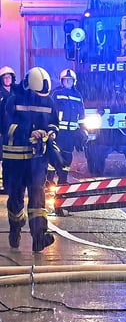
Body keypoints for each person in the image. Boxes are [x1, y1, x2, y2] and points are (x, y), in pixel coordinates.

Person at [2, 67, 59, 252]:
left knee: (37, 198)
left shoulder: (48, 100)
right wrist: (28, 132)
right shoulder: (12, 100)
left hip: (37, 159)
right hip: (15, 160)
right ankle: (15, 227)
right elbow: (6, 127)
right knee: (15, 198)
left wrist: (51, 132)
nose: (40, 97)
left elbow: (53, 121)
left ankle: (39, 237)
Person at [52, 68, 85, 184]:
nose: (67, 82)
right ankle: (49, 180)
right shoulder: (56, 94)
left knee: (67, 156)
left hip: (71, 133)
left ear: (74, 81)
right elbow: (52, 112)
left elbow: (81, 115)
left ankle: (63, 180)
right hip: (59, 132)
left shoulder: (78, 96)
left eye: (70, 80)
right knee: (54, 155)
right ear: (61, 81)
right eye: (65, 80)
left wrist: (83, 131)